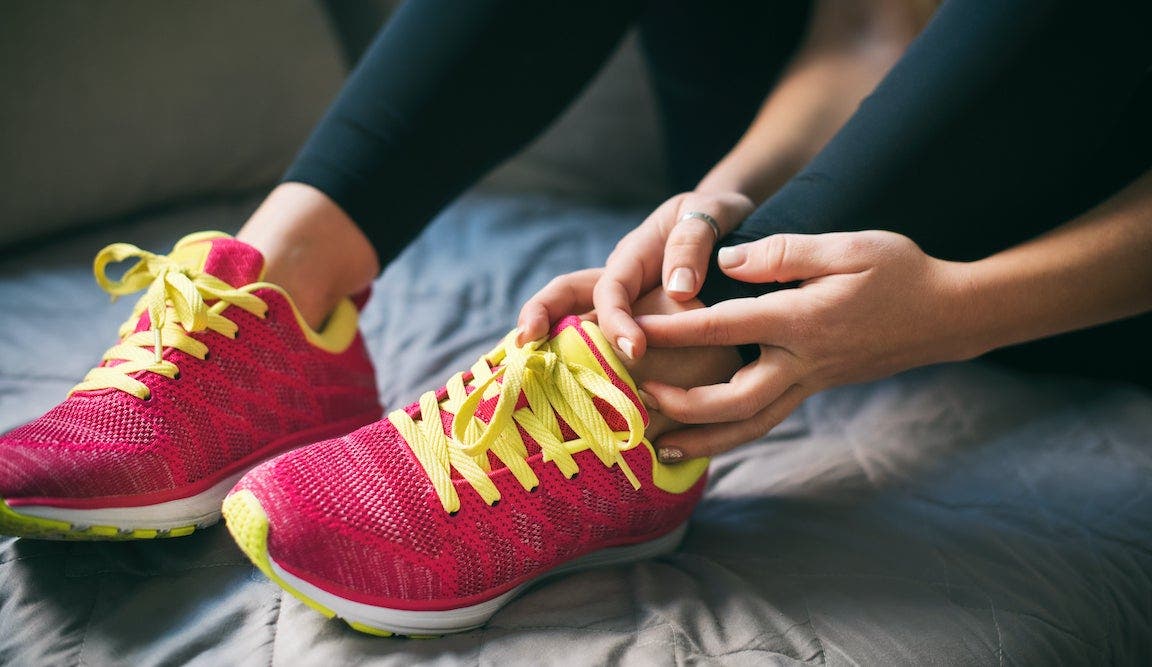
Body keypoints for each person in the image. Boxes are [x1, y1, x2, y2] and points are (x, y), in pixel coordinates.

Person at [1, 0, 1148, 637]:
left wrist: (958, 313)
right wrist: (723, 207)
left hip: (1078, 264)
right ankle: (288, 289)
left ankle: (646, 397)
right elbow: (871, 37)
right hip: (858, 171)